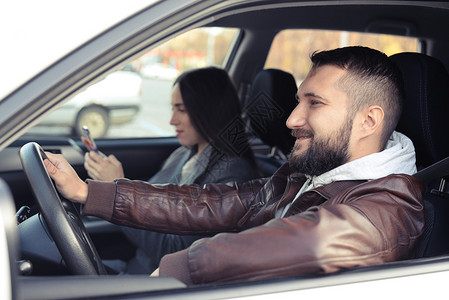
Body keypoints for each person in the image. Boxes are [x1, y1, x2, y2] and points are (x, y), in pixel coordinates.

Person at [44, 46, 426, 285]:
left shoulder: (385, 210)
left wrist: (183, 267)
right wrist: (87, 191)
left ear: (369, 121)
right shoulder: (311, 174)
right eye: (298, 101)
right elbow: (211, 203)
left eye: (315, 103)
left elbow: (309, 242)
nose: (292, 119)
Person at [82, 67, 261, 273]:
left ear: (210, 109)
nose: (172, 120)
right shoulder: (183, 154)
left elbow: (174, 250)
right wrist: (117, 188)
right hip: (135, 266)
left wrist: (118, 191)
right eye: (172, 108)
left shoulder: (232, 174)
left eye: (182, 110)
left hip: (154, 280)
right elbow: (151, 206)